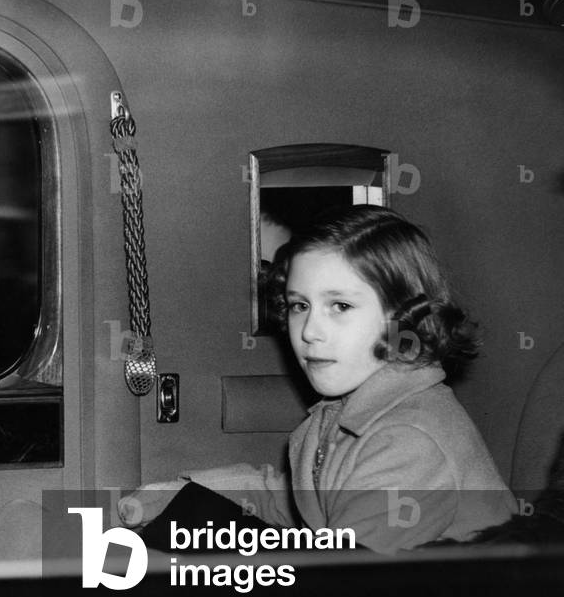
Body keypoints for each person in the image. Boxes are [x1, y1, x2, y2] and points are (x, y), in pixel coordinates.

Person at [124, 206, 515, 553]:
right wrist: (185, 495)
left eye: (340, 306)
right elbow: (293, 501)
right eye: (299, 305)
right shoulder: (341, 413)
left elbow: (337, 591)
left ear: (404, 319)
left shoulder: (412, 440)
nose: (309, 330)